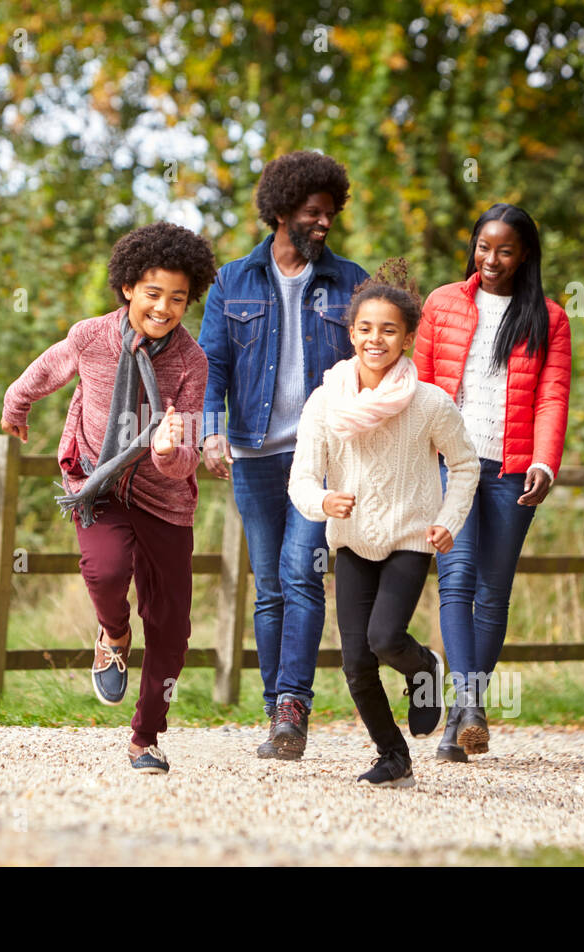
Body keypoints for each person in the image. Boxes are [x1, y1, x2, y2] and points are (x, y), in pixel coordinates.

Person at [0, 221, 218, 774]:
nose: (164, 308)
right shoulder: (91, 336)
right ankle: (114, 633)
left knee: (171, 625)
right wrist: (17, 402)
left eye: (177, 298)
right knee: (104, 570)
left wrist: (169, 450)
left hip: (164, 497)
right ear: (127, 288)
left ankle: (146, 737)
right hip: (97, 484)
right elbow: (47, 369)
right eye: (152, 294)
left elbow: (187, 456)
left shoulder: (192, 363)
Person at [198, 151, 370, 761]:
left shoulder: (352, 283)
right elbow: (210, 363)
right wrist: (210, 430)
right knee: (268, 584)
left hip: (320, 457)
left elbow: (378, 361)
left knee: (302, 574)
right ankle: (277, 714)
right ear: (279, 211)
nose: (323, 224)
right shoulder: (231, 281)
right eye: (312, 213)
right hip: (253, 454)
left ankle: (294, 703)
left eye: (330, 214)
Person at [289, 260, 479, 787]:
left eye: (389, 330)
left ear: (408, 338)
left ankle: (423, 669)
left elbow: (464, 466)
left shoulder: (430, 403)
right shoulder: (325, 402)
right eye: (366, 328)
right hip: (350, 541)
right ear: (351, 334)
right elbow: (301, 478)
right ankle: (393, 755)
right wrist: (323, 501)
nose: (376, 339)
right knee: (355, 661)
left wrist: (447, 520)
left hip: (408, 537)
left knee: (384, 637)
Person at [414, 203, 572, 762]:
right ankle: (472, 703)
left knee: (493, 592)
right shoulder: (442, 303)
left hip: (512, 469)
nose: (491, 259)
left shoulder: (548, 317)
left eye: (504, 250)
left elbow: (552, 396)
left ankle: (462, 715)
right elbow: (423, 385)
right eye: (484, 246)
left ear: (524, 253)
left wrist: (546, 461)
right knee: (455, 581)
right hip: (449, 464)